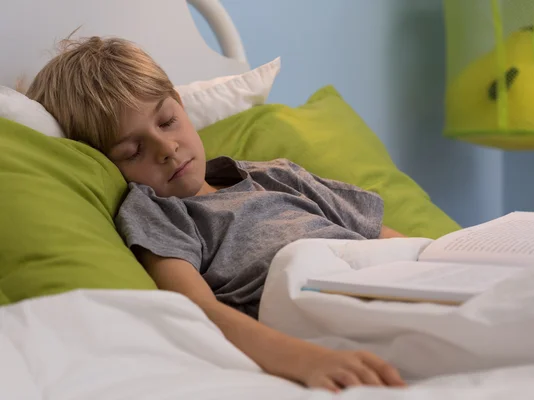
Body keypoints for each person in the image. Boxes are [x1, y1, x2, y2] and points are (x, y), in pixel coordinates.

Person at [26, 36, 406, 392]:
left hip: (392, 280)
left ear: (180, 103)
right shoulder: (161, 214)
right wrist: (307, 360)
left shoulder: (277, 175)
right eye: (132, 151)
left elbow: (388, 241)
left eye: (167, 121)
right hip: (325, 312)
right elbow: (198, 310)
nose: (167, 149)